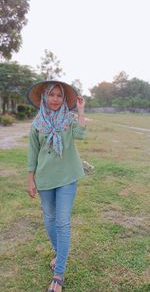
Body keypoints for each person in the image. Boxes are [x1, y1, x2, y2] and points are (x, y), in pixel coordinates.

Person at [27, 80, 86, 292]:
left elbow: (81, 135)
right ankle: (59, 253)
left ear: (64, 99)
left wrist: (80, 111)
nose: (55, 99)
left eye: (59, 96)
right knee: (50, 219)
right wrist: (30, 179)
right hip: (44, 179)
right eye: (51, 95)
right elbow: (33, 153)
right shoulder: (37, 123)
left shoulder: (69, 120)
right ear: (44, 97)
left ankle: (59, 272)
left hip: (67, 177)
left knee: (62, 222)